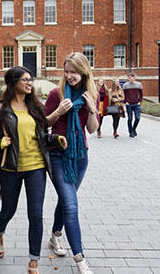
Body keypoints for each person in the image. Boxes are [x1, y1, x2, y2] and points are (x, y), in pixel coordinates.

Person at [0, 66, 67, 274]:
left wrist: (56, 139)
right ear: (13, 82)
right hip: (11, 167)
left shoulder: (36, 105)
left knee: (36, 214)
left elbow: (42, 134)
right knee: (8, 210)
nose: (29, 83)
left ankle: (33, 261)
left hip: (36, 167)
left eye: (31, 79)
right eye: (25, 79)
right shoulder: (1, 108)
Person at [45, 52, 99, 274]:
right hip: (58, 154)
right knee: (71, 204)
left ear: (84, 72)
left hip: (80, 157)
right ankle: (80, 258)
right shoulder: (56, 94)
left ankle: (55, 236)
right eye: (66, 72)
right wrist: (59, 111)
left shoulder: (89, 95)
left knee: (66, 200)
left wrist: (92, 108)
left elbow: (92, 129)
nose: (70, 76)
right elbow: (44, 123)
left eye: (74, 72)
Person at [122, 71, 143, 137]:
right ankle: (131, 132)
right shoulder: (125, 85)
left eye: (130, 77)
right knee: (130, 118)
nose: (129, 79)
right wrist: (126, 102)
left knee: (137, 118)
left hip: (136, 104)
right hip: (129, 104)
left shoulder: (139, 84)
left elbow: (141, 94)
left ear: (134, 77)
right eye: (128, 77)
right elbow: (124, 95)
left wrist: (139, 101)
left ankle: (133, 129)